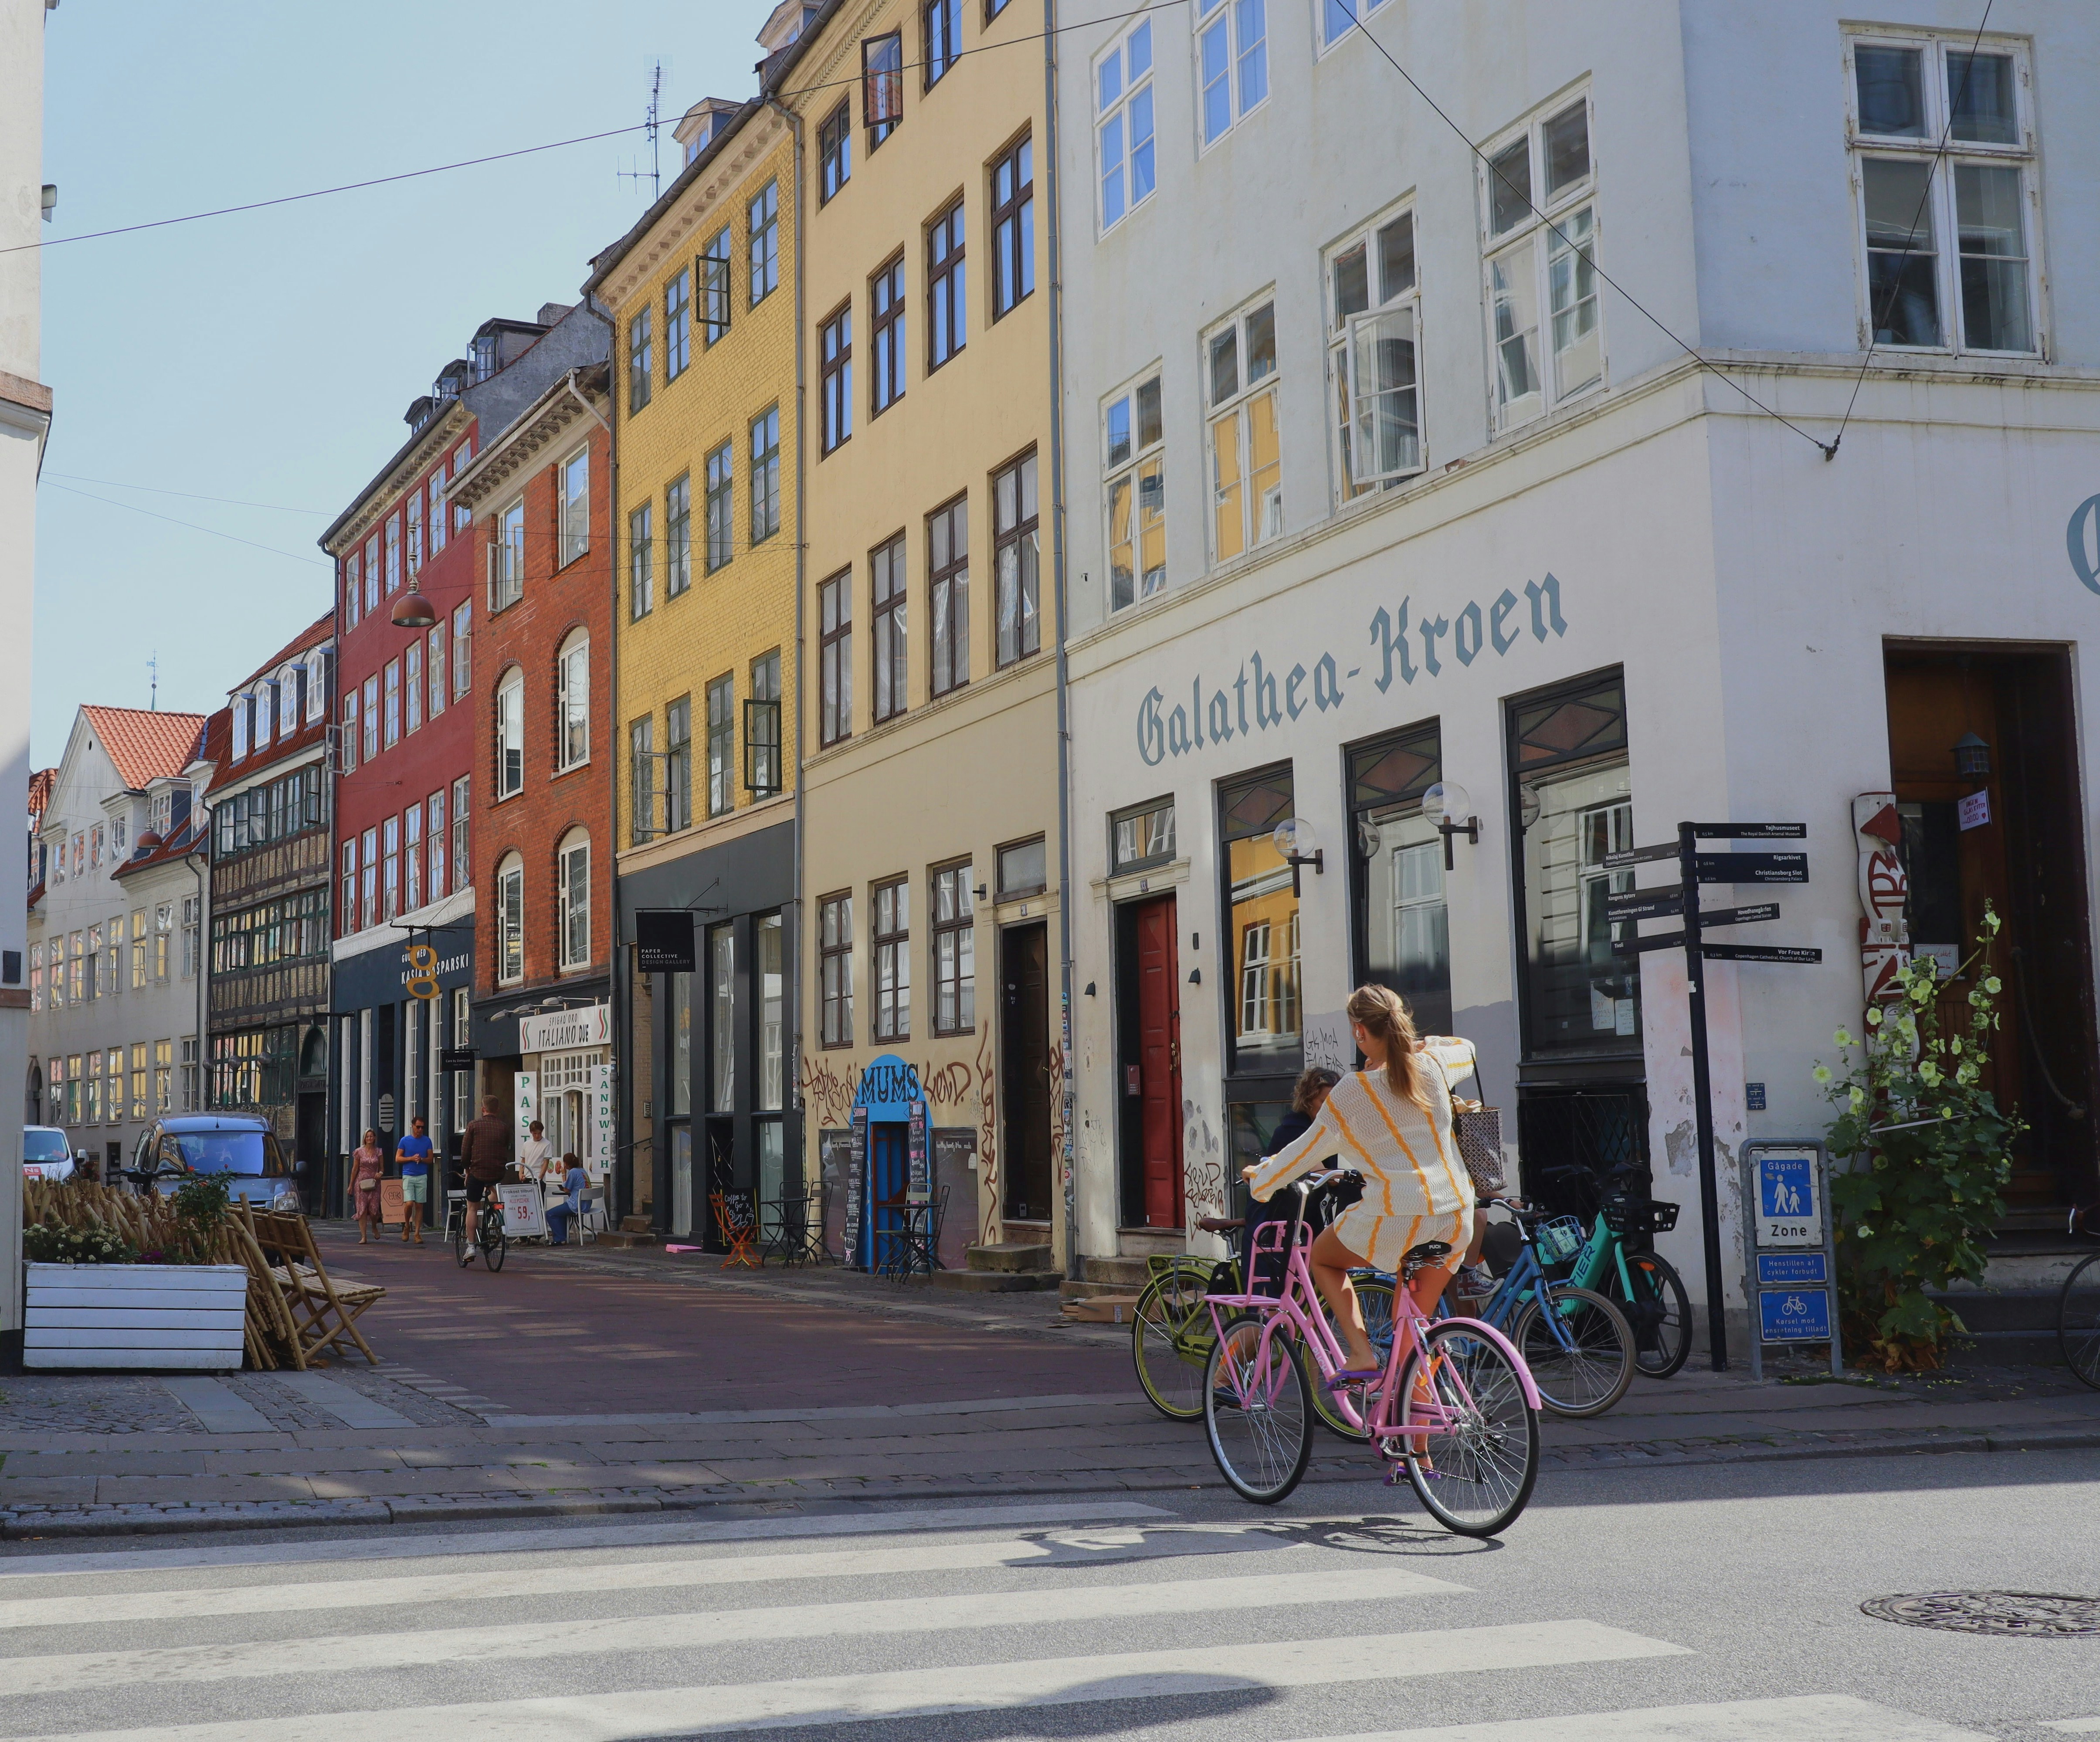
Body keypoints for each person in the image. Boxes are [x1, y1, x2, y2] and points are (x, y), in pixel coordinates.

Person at [1242, 984, 1477, 1377]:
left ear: (1358, 1032)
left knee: (1322, 1257)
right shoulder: (1434, 1066)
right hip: (1453, 1216)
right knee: (1411, 1344)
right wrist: (1421, 1047)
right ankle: (1415, 1432)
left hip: (1396, 1218)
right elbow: (1467, 1048)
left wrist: (1260, 1182)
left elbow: (1299, 1154)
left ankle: (1360, 1354)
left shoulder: (1351, 1092)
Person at [1242, 1067, 1339, 1295]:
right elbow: (1317, 1168)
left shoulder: (1327, 1128)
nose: (1329, 1108)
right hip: (1280, 1220)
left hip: (1306, 1216)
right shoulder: (1295, 1129)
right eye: (1323, 1101)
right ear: (1308, 1100)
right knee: (1278, 1293)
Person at [458, 1095, 512, 1263]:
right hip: (497, 1172)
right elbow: (506, 1147)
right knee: (491, 1189)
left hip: (478, 1171)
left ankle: (471, 1246)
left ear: (483, 1109)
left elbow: (465, 1151)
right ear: (497, 1110)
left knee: (472, 1208)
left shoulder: (473, 1125)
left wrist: (467, 1169)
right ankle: (494, 1216)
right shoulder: (504, 1127)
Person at [394, 1116, 434, 1245]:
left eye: (423, 1127)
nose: (420, 1130)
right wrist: (411, 1158)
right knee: (409, 1203)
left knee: (419, 1205)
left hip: (422, 1175)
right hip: (408, 1175)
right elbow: (398, 1158)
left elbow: (430, 1159)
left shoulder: (427, 1141)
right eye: (418, 1127)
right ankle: (406, 1225)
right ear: (413, 1126)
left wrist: (421, 1159)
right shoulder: (405, 1141)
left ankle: (417, 1233)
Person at [350, 1130, 387, 1244]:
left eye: (371, 1136)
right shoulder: (359, 1152)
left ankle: (374, 1226)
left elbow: (382, 1168)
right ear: (365, 1139)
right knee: (362, 1209)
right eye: (367, 1137)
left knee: (374, 1210)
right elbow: (355, 1169)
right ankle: (364, 1236)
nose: (369, 1139)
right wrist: (351, 1185)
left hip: (374, 1182)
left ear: (375, 1138)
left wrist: (380, 1173)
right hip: (361, 1183)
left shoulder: (379, 1152)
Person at [544, 1152, 588, 1245]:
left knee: (550, 1214)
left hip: (576, 1204)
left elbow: (567, 1190)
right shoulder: (583, 1170)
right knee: (561, 1213)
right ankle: (563, 1236)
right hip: (586, 1204)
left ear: (566, 1164)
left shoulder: (573, 1172)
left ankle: (560, 1239)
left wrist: (563, 1175)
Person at [517, 1119, 553, 1186]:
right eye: (535, 1133)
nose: (537, 1136)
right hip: (526, 1177)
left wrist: (541, 1177)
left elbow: (546, 1162)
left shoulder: (547, 1144)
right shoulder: (526, 1144)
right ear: (531, 1132)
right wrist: (520, 1173)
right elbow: (523, 1160)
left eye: (539, 1133)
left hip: (538, 1177)